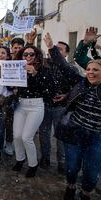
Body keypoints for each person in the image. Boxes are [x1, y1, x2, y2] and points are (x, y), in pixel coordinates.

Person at [44, 32, 101, 200]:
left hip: (99, 137)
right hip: (75, 132)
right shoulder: (80, 82)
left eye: (96, 70)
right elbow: (65, 66)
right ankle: (71, 186)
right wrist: (51, 48)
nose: (90, 72)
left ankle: (86, 194)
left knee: (92, 172)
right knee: (72, 167)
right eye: (88, 69)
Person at [12, 45, 54, 178]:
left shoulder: (44, 69)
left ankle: (33, 164)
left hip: (36, 105)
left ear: (36, 56)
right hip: (21, 104)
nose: (28, 57)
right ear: (21, 56)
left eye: (31, 54)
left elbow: (47, 88)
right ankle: (20, 159)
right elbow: (9, 84)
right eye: (25, 55)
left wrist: (35, 73)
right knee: (17, 136)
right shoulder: (18, 67)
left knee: (27, 137)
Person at [38, 41, 73, 173]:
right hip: (44, 105)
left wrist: (66, 95)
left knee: (61, 136)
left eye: (59, 49)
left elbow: (76, 88)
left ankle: (61, 162)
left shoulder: (71, 69)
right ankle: (45, 158)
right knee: (44, 133)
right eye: (54, 49)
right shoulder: (44, 64)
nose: (56, 51)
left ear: (66, 53)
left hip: (61, 108)